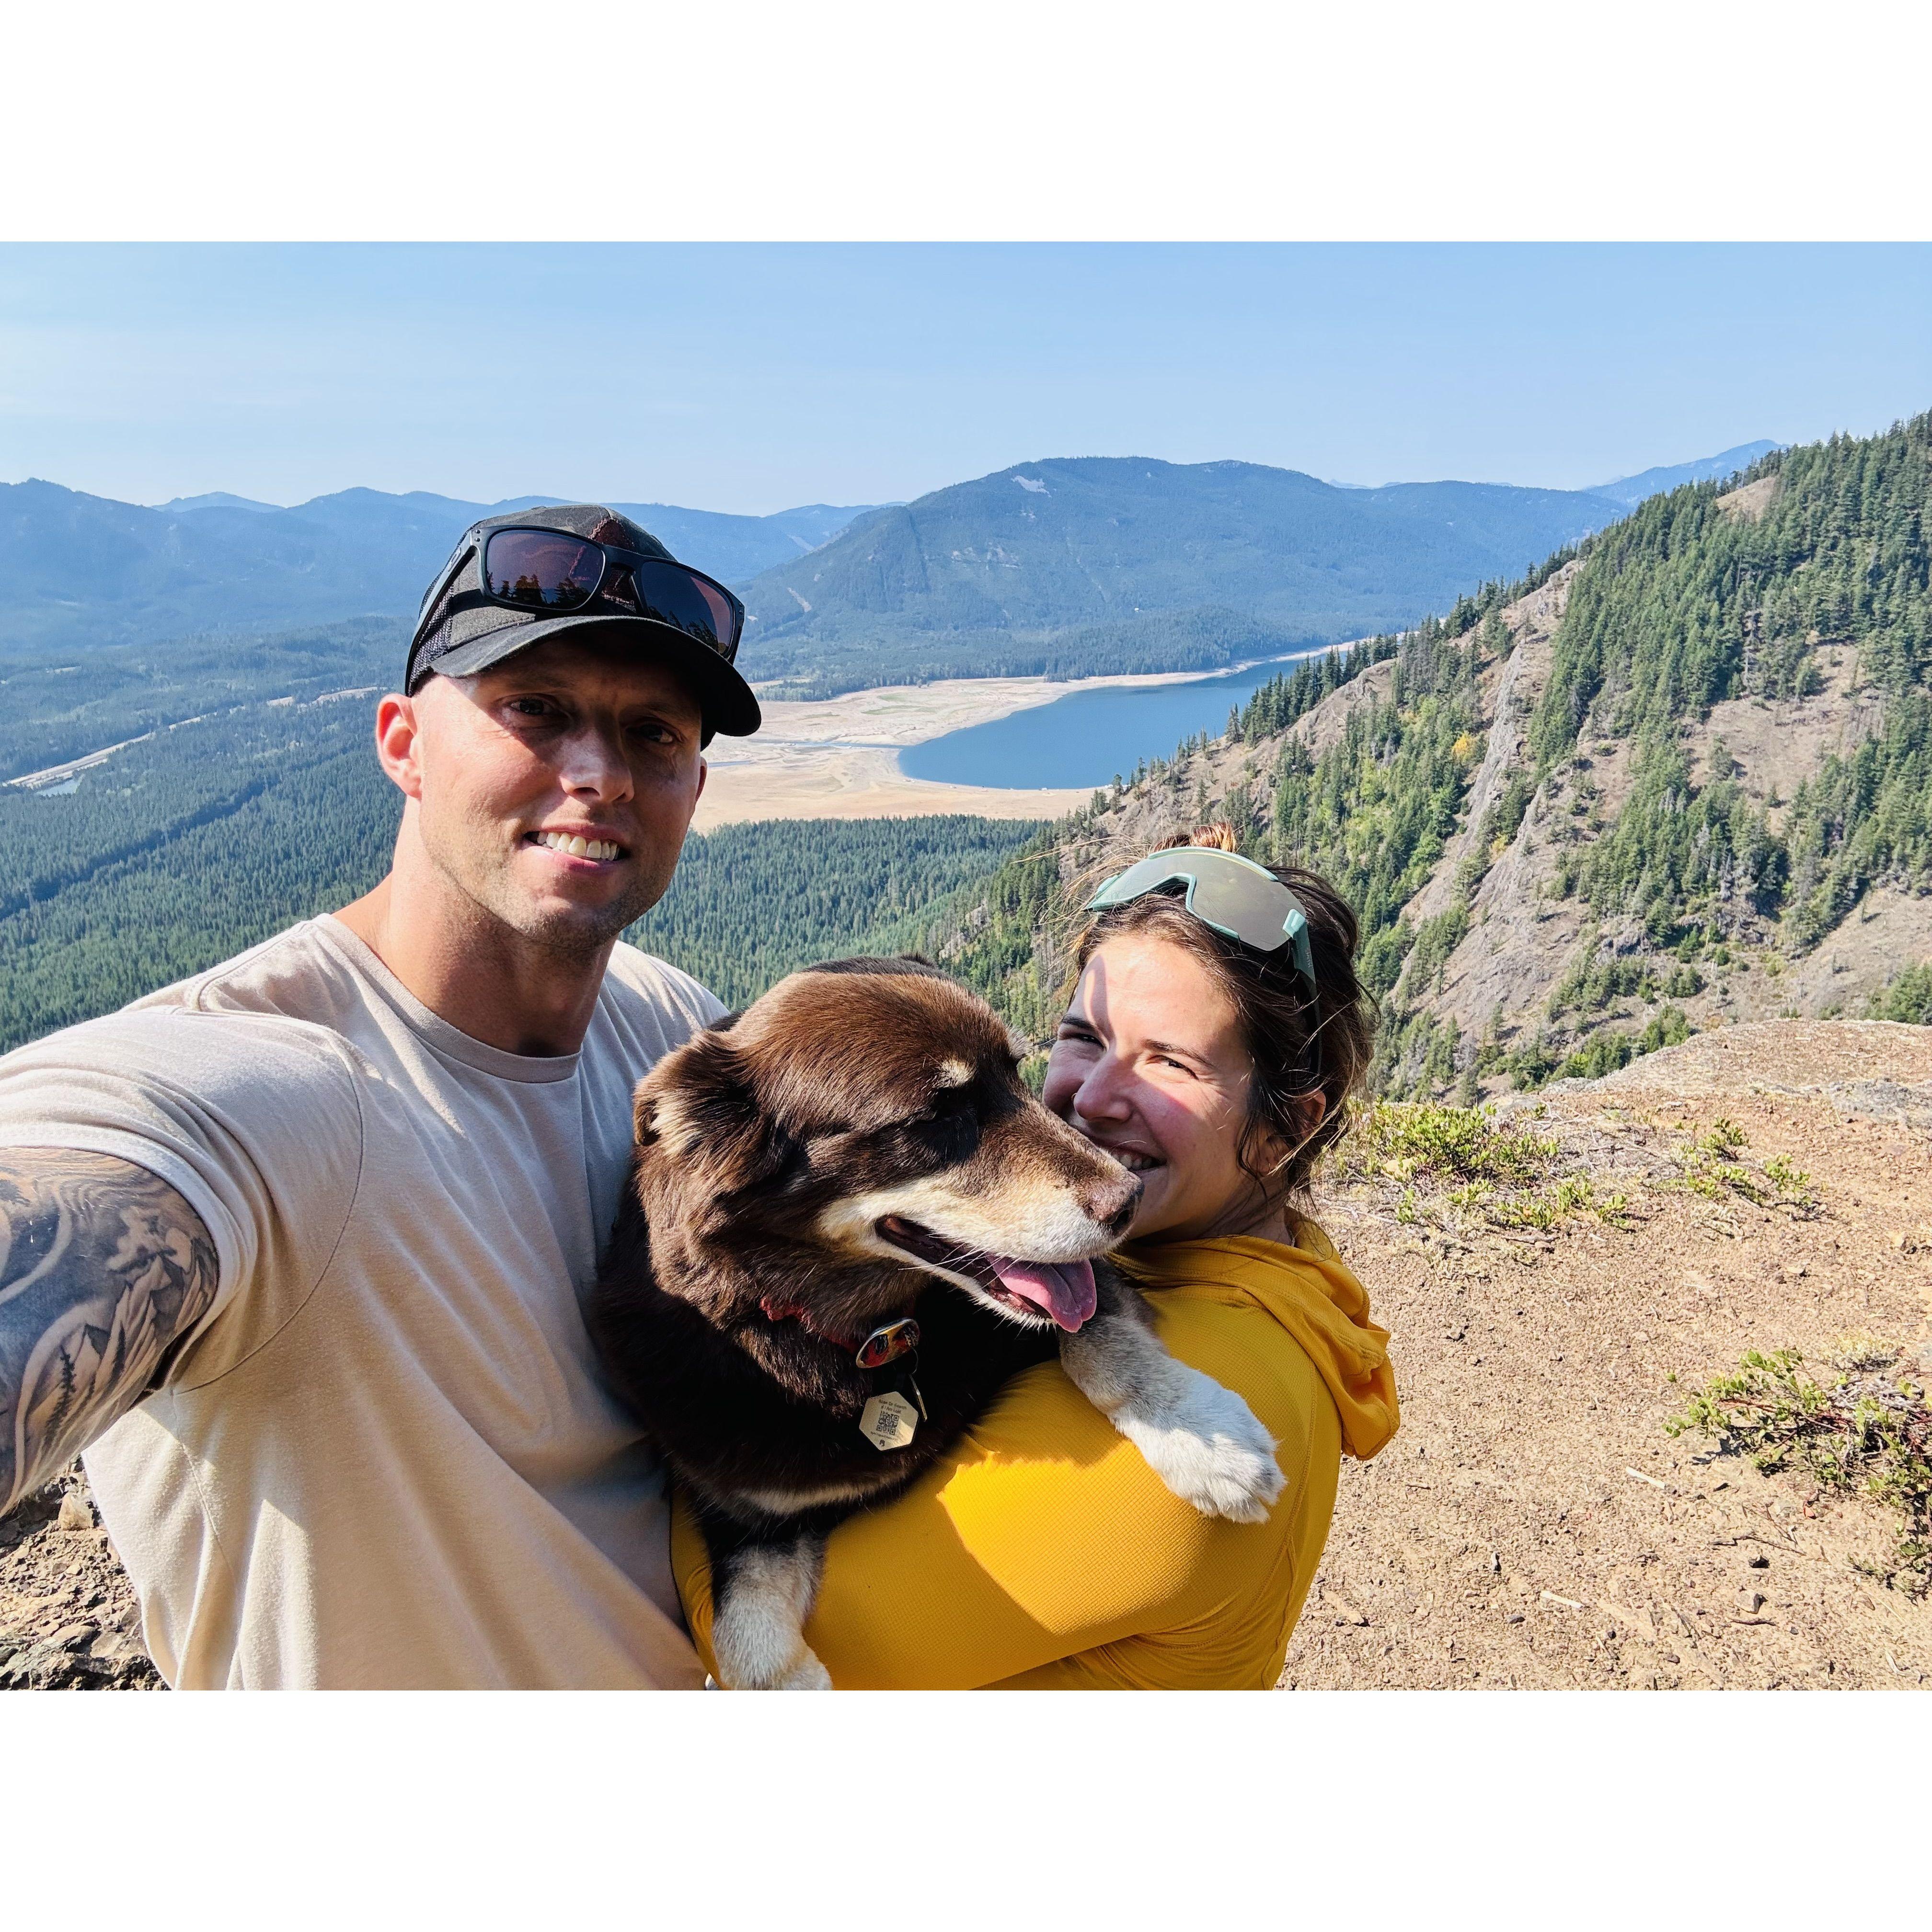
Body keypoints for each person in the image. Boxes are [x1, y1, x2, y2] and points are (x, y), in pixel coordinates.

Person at [0, 506, 762, 1688]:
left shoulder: (666, 1028)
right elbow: (80, 1192)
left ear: (693, 787)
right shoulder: (269, 1086)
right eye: (538, 710)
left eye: (652, 733)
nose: (601, 774)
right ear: (403, 743)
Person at [673, 826, 1400, 1687]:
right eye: (1084, 1037)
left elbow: (818, 1647)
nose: (1088, 1104)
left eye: (1169, 1064)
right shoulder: (1256, 1273)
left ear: (1289, 1126)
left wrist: (679, 1454)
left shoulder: (1189, 1432)